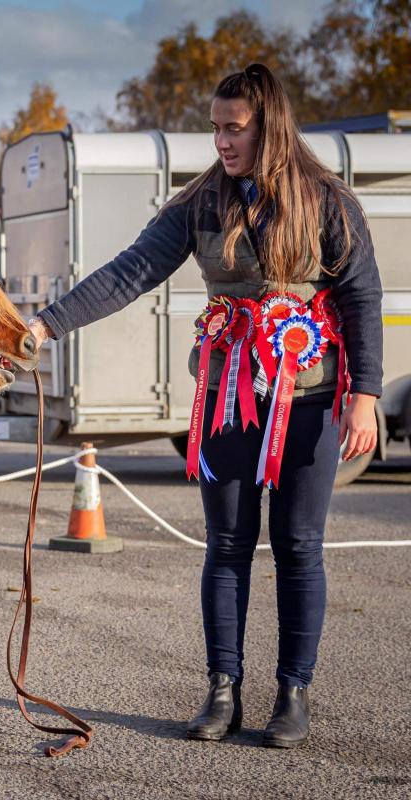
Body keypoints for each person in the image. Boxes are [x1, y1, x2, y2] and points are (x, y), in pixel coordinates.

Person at [27, 63, 383, 749]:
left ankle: (293, 695)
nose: (220, 140)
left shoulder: (328, 201)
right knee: (225, 546)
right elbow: (130, 272)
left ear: (268, 126)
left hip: (311, 405)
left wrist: (365, 394)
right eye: (215, 127)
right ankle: (222, 691)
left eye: (234, 129)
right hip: (225, 404)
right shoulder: (200, 203)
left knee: (299, 547)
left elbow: (362, 298)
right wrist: (45, 325)